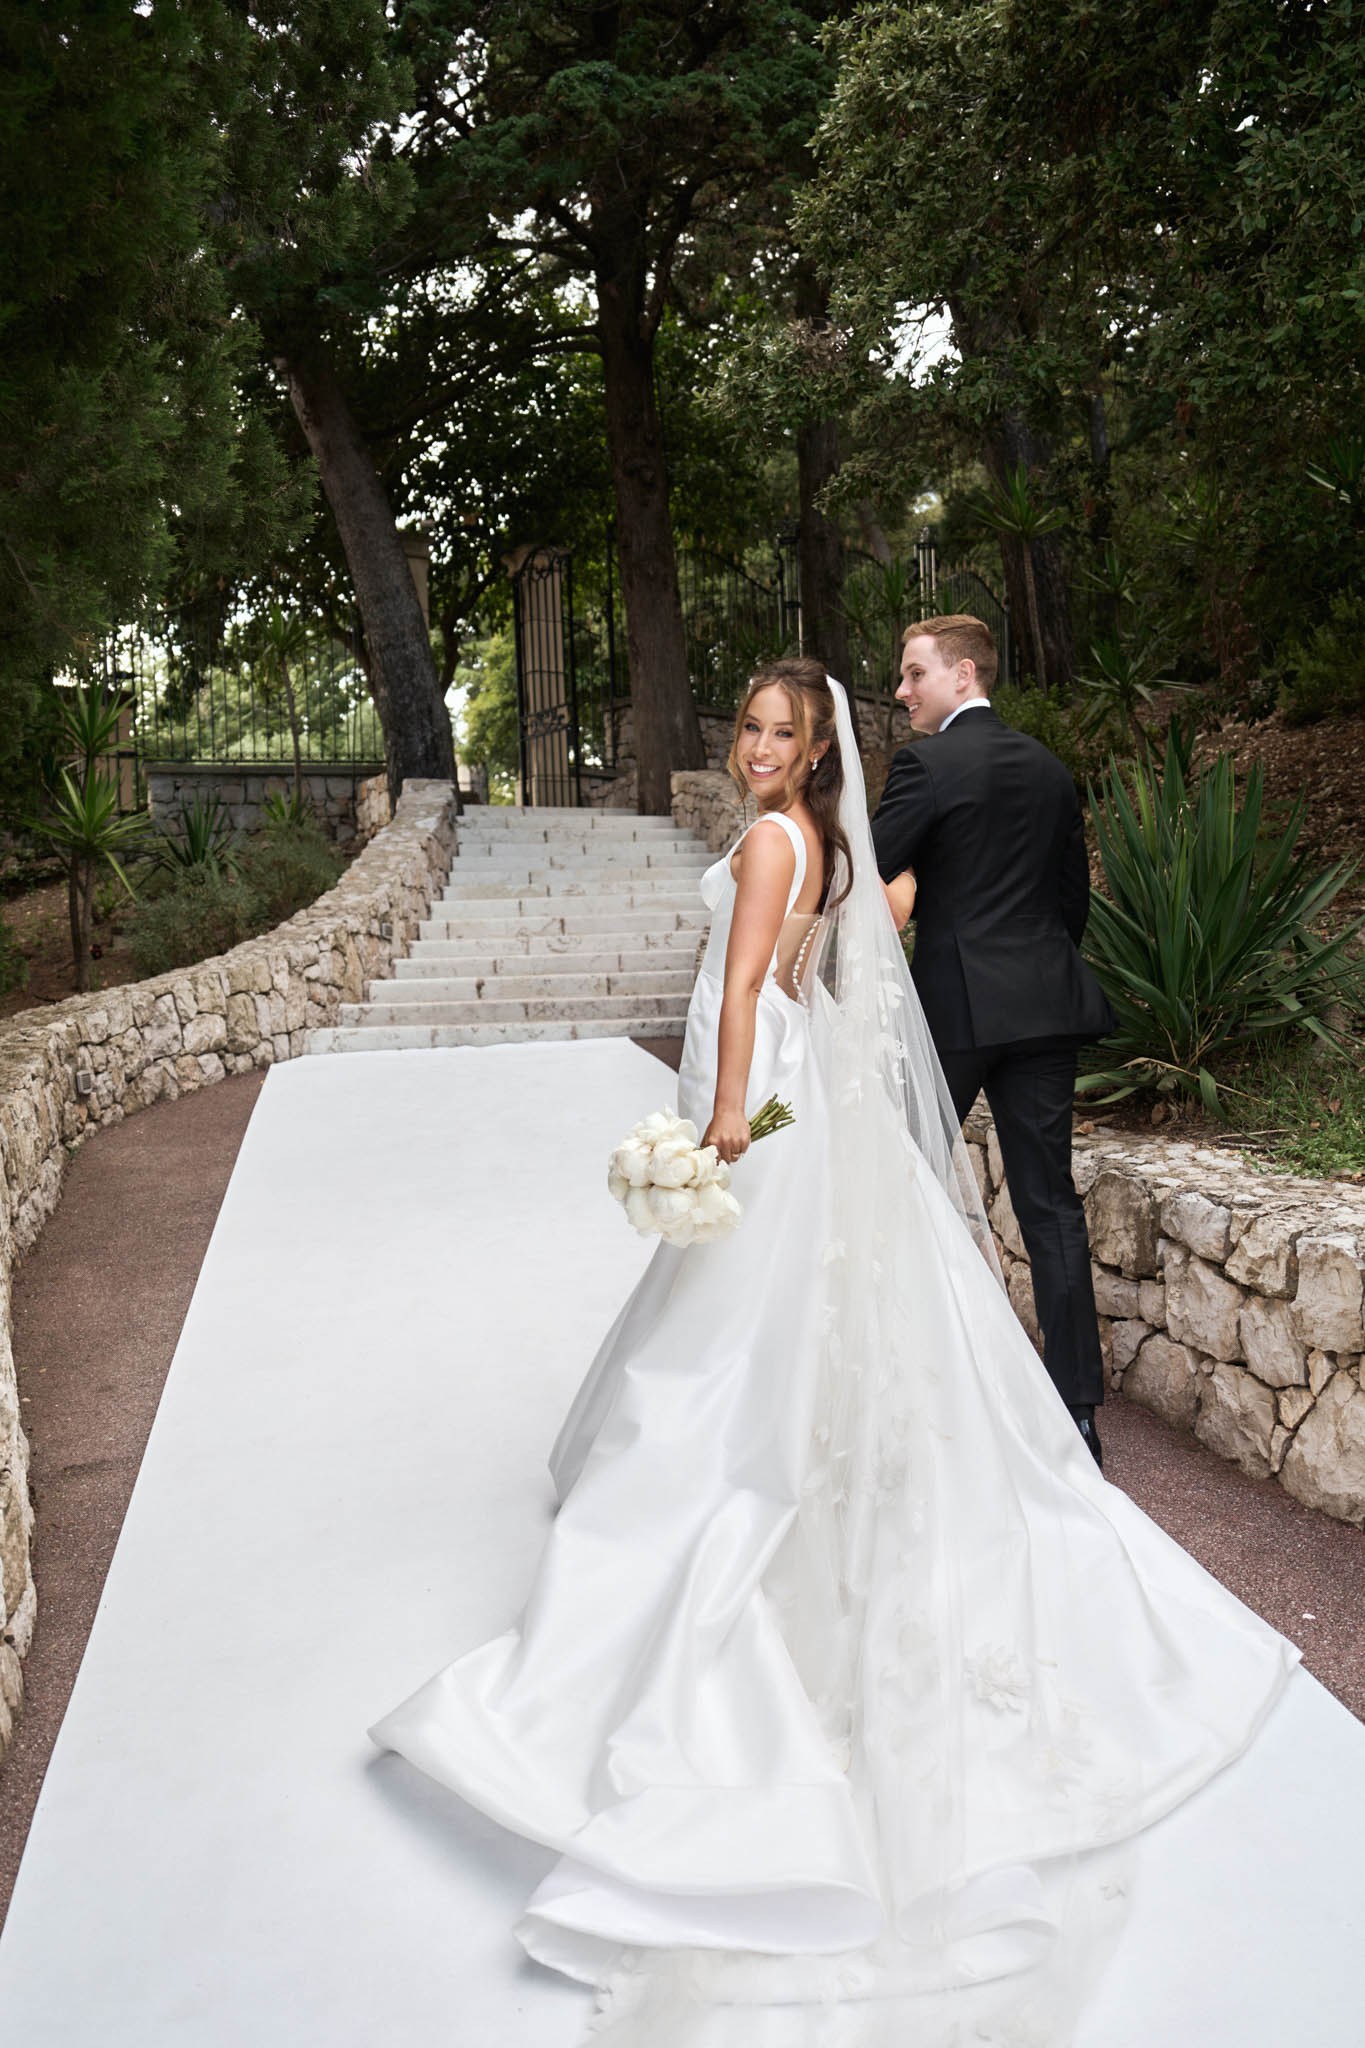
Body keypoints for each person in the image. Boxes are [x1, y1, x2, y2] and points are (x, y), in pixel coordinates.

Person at [369, 660, 1296, 2046]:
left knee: (729, 1340)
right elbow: (822, 963)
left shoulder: (764, 841)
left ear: (813, 755)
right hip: (822, 1104)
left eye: (778, 734)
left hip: (770, 1111)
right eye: (745, 727)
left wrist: (723, 1121)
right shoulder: (825, 842)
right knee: (788, 1321)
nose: (753, 748)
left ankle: (715, 1510)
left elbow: (745, 990)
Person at [871, 616, 1115, 1466]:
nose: (901, 692)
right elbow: (1069, 902)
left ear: (962, 672)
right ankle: (1077, 1415)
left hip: (957, 1015)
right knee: (1050, 1206)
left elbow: (870, 874)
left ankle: (891, 1381)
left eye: (912, 675)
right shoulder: (1048, 767)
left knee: (887, 1182)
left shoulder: (926, 765)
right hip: (1047, 1006)